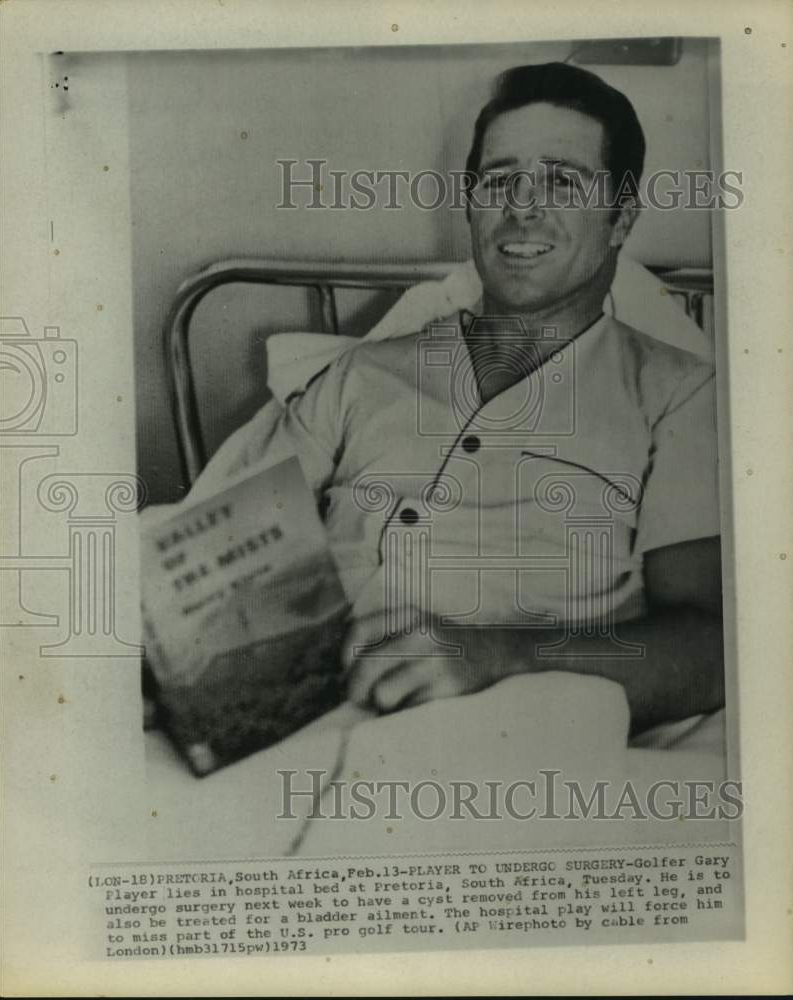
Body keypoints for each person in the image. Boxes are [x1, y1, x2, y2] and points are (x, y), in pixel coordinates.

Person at [223, 62, 724, 736]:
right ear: (470, 204)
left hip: (495, 753)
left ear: (620, 218)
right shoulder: (358, 377)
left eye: (562, 181)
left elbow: (710, 648)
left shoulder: (679, 396)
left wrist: (499, 656)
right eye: (499, 180)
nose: (522, 206)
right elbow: (230, 560)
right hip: (289, 729)